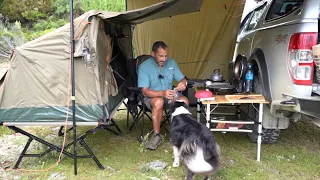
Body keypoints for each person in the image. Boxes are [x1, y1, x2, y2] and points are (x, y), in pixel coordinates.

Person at [137, 41, 189, 150]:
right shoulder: (144, 67)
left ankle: (180, 133)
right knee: (158, 102)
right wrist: (162, 93)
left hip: (170, 95)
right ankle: (156, 135)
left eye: (165, 56)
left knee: (184, 100)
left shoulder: (172, 63)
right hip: (151, 98)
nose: (164, 59)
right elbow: (145, 91)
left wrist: (183, 83)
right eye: (160, 56)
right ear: (153, 54)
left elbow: (182, 78)